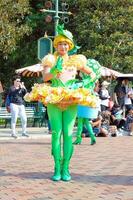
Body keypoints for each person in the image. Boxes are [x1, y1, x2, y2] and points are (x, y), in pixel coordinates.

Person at [24, 24, 98, 182]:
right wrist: (55, 70)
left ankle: (66, 168)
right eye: (59, 43)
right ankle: (57, 168)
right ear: (56, 44)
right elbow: (45, 78)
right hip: (54, 98)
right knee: (56, 134)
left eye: (65, 44)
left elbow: (92, 74)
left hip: (70, 98)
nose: (62, 46)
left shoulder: (76, 60)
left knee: (68, 134)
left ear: (70, 46)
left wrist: (84, 83)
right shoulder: (50, 59)